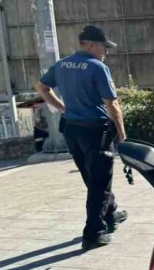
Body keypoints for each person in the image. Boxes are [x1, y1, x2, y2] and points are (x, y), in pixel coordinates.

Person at [36, 25, 128, 251]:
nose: (105, 51)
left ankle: (111, 212)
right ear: (90, 45)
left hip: (72, 128)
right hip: (94, 129)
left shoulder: (62, 64)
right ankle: (93, 232)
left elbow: (41, 87)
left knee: (91, 175)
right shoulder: (97, 67)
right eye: (103, 47)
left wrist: (62, 108)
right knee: (99, 180)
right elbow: (112, 104)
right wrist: (123, 136)